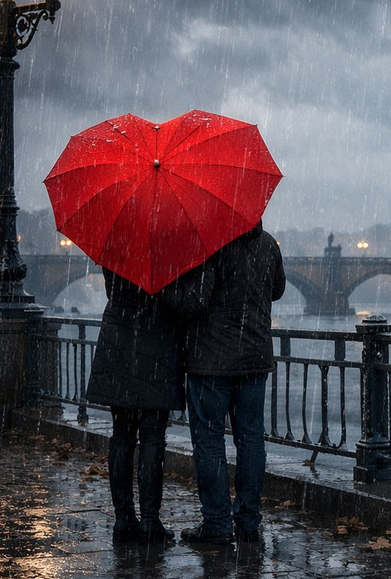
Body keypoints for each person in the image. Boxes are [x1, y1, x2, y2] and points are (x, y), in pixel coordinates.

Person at [180, 220, 285, 545]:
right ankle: (248, 521)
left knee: (210, 441)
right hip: (254, 358)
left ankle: (217, 523)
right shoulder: (268, 244)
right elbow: (278, 289)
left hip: (211, 360)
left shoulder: (210, 242)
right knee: (251, 439)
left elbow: (197, 300)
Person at [85, 269, 202, 546]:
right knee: (152, 439)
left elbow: (114, 294)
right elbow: (181, 305)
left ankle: (123, 518)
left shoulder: (117, 251)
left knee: (122, 437)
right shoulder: (169, 256)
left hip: (119, 348)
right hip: (157, 349)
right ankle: (149, 520)